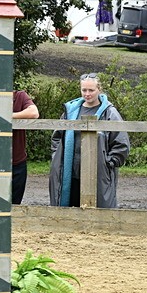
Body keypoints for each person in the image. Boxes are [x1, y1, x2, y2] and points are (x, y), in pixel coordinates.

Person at [48, 73, 130, 208]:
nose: (87, 94)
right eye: (84, 90)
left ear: (99, 89)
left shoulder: (109, 113)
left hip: (98, 173)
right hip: (71, 172)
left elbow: (121, 143)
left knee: (98, 212)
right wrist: (58, 158)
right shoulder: (71, 111)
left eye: (91, 90)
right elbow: (57, 137)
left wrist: (108, 163)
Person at [11, 89, 39, 204]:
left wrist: (9, 116)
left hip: (17, 163)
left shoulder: (19, 96)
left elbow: (34, 113)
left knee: (15, 204)